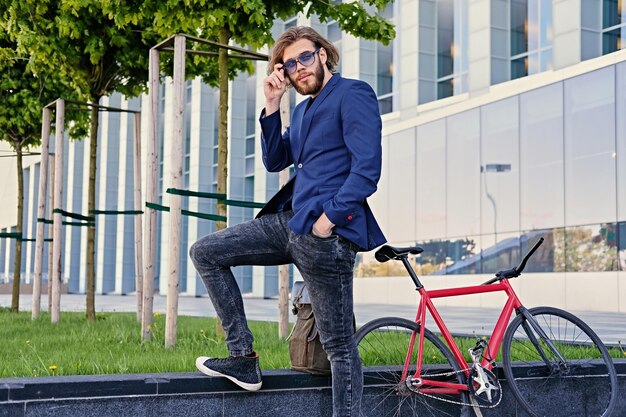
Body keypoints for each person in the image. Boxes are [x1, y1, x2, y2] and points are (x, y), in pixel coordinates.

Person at [189, 25, 386, 417]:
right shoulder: (301, 108)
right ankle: (243, 357)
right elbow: (275, 159)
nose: (299, 68)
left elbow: (367, 171)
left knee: (339, 346)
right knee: (206, 251)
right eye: (289, 64)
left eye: (305, 57)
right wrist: (271, 103)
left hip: (325, 234)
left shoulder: (353, 94)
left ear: (324, 54)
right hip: (290, 224)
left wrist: (328, 220)